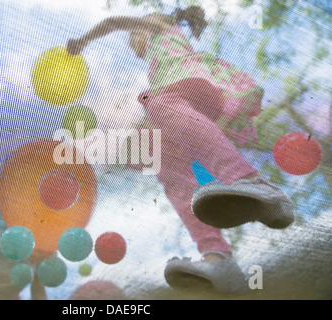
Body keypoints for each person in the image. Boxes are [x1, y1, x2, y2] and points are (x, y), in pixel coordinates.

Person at [67, 6, 294, 293]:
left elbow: (113, 21)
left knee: (161, 105)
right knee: (165, 162)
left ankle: (253, 182)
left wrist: (83, 42)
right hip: (177, 104)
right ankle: (218, 257)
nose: (133, 44)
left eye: (134, 36)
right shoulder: (156, 61)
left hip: (191, 85)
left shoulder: (160, 27)